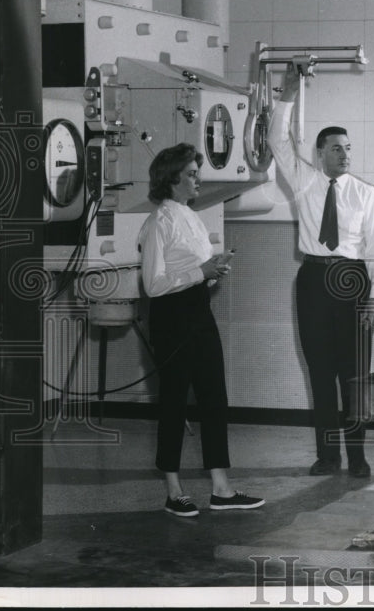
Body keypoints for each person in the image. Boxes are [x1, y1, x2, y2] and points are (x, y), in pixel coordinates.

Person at [269, 67, 374, 478]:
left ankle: (357, 458)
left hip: (354, 284)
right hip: (314, 281)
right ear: (320, 153)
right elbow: (275, 140)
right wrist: (287, 92)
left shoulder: (365, 193)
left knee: (353, 375)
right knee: (320, 372)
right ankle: (327, 457)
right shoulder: (304, 182)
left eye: (348, 148)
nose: (344, 154)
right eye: (336, 148)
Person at [138, 143, 265, 517]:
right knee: (175, 402)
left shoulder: (192, 217)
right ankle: (173, 490)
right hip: (171, 319)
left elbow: (191, 273)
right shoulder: (158, 221)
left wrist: (212, 271)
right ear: (172, 179)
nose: (198, 180)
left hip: (198, 312)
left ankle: (221, 488)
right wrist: (200, 272)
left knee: (214, 398)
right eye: (192, 174)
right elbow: (153, 285)